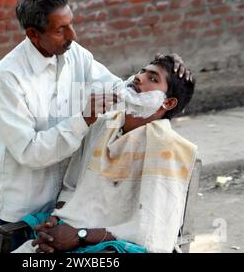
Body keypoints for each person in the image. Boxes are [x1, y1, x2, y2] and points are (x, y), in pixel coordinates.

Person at [0, 0, 192, 250]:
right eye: (61, 30)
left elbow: (120, 89)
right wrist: (83, 119)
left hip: (74, 207)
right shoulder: (8, 77)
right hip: (29, 203)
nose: (72, 36)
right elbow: (29, 152)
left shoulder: (75, 55)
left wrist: (165, 69)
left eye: (71, 24)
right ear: (33, 35)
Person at [12, 55, 197, 253]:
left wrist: (80, 235)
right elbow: (71, 185)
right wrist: (57, 219)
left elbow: (152, 229)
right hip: (71, 228)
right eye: (142, 71)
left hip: (112, 248)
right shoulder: (102, 124)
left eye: (152, 79)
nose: (138, 78)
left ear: (168, 103)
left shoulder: (166, 148)